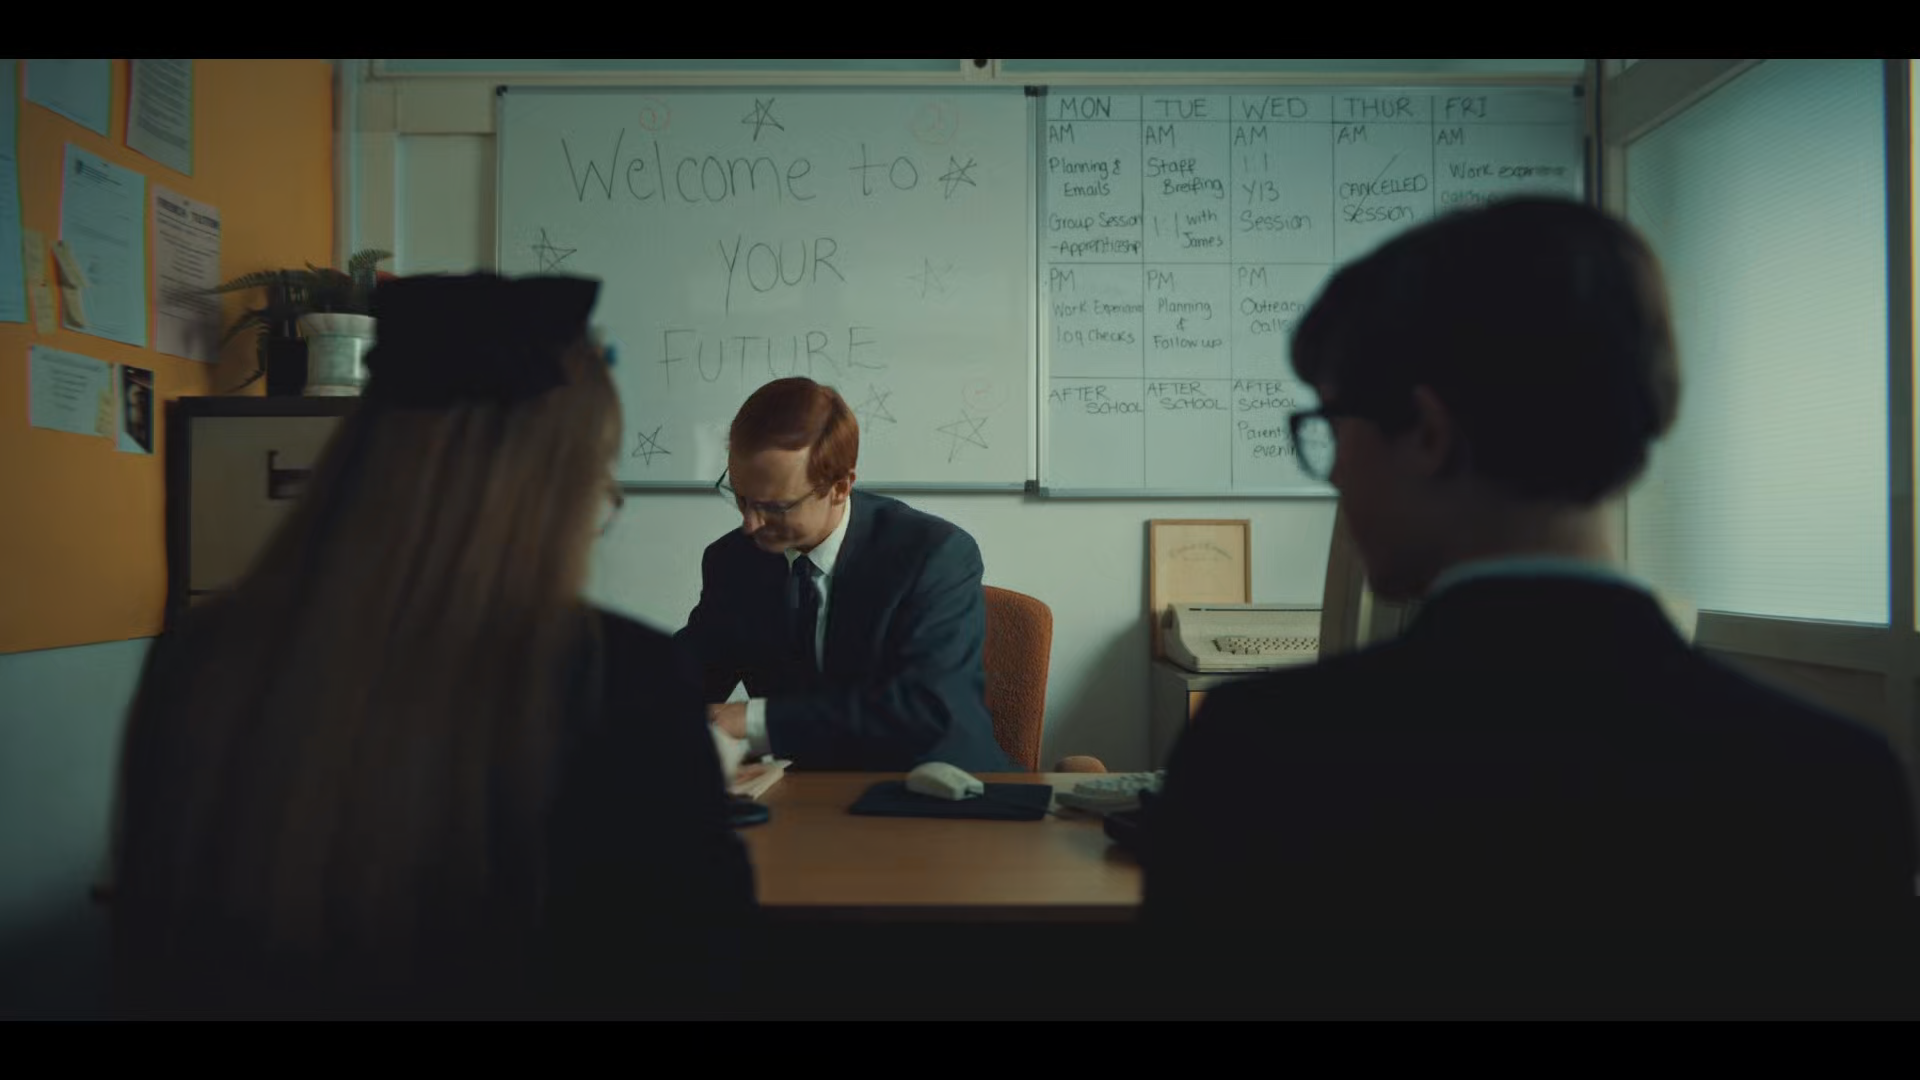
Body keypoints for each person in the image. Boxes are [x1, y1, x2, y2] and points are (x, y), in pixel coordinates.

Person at [1141, 198, 1918, 1017]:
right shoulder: (1837, 781)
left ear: (1428, 433)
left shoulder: (1262, 757)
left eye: (1333, 427)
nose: (1333, 472)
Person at [110, 273, 756, 1019]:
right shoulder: (621, 680)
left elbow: (149, 962)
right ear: (555, 491)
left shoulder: (202, 657)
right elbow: (701, 970)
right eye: (599, 484)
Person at [676, 377, 1011, 773]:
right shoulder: (733, 560)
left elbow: (925, 710)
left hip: (938, 786)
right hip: (803, 793)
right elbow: (690, 674)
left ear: (840, 486)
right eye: (740, 497)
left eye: (774, 507)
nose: (750, 523)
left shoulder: (935, 555)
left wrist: (752, 721)